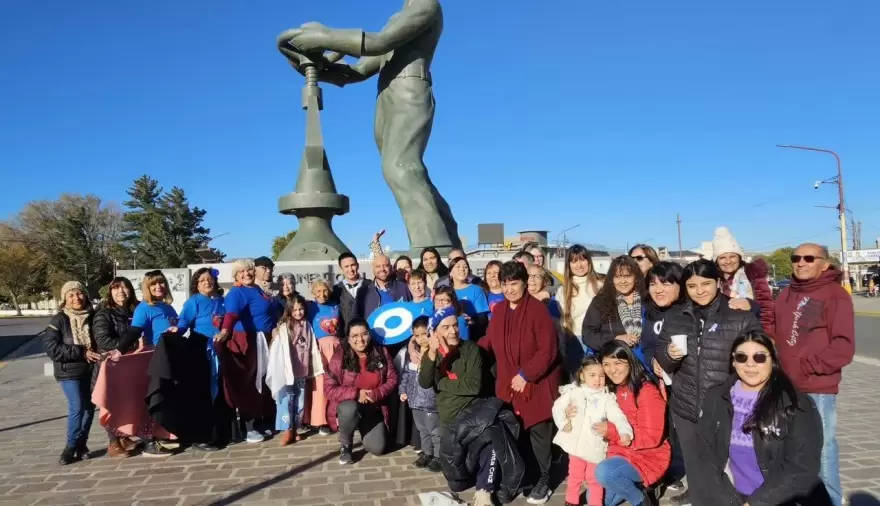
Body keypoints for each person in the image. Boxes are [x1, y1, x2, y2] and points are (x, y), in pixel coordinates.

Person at [279, 0, 461, 250]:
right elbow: (361, 70)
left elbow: (378, 42)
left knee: (400, 168)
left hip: (410, 90)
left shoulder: (426, 6)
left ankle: (433, 249)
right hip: (388, 96)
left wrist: (325, 36)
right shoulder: (400, 16)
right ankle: (447, 238)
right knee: (408, 170)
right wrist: (321, 69)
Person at [655, 259, 762, 506]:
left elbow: (760, 356)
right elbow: (661, 353)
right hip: (685, 407)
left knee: (730, 475)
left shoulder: (739, 316)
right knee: (696, 471)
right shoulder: (676, 317)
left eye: (706, 283)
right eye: (692, 286)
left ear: (718, 282)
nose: (699, 290)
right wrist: (667, 356)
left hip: (727, 409)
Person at [697, 331, 828, 505]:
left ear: (772, 361)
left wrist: (756, 503)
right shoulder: (716, 397)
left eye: (759, 357)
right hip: (733, 497)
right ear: (733, 362)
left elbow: (801, 467)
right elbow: (707, 455)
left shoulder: (797, 404)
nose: (750, 364)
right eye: (742, 357)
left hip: (780, 500)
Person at [773, 243, 854, 506]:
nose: (801, 262)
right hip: (785, 385)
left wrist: (807, 366)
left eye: (810, 258)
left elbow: (843, 347)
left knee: (822, 447)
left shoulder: (835, 295)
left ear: (825, 263)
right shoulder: (785, 294)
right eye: (796, 258)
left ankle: (830, 500)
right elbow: (773, 331)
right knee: (792, 446)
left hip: (818, 387)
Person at [480, 261, 561, 505]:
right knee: (514, 437)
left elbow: (548, 351)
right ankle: (517, 480)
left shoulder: (538, 311)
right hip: (508, 385)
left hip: (535, 385)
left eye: (514, 283)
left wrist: (526, 374)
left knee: (539, 436)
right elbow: (489, 342)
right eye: (504, 283)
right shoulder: (500, 311)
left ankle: (544, 480)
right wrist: (462, 351)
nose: (509, 289)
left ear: (525, 283)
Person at [420, 307, 516, 506]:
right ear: (435, 332)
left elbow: (473, 386)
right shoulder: (432, 354)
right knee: (456, 485)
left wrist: (443, 383)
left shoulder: (470, 349)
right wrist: (431, 352)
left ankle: (484, 490)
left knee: (490, 438)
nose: (453, 331)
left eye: (455, 325)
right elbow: (424, 382)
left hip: (474, 411)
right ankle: (477, 475)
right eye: (446, 327)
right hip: (450, 418)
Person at [567, 341, 670, 506]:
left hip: (647, 455)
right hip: (618, 452)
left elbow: (652, 437)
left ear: (629, 361)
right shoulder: (609, 388)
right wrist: (570, 411)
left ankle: (641, 500)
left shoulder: (645, 390)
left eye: (617, 363)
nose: (612, 370)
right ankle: (639, 486)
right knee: (598, 498)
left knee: (604, 473)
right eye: (606, 364)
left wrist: (611, 431)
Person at [216, 259, 283, 444]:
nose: (246, 274)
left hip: (264, 338)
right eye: (241, 272)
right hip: (246, 340)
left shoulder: (257, 290)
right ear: (236, 275)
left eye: (249, 270)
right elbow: (231, 314)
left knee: (264, 380)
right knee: (248, 383)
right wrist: (224, 331)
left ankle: (263, 419)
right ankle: (250, 425)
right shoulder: (237, 292)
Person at [552, 356, 633, 506]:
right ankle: (571, 501)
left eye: (601, 376)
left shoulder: (606, 397)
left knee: (594, 478)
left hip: (595, 446)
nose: (597, 380)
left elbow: (617, 416)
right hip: (576, 444)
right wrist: (563, 422)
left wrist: (624, 431)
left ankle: (596, 503)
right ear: (582, 375)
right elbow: (558, 407)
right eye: (592, 375)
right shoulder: (574, 391)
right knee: (575, 475)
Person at [324, 318, 398, 464]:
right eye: (355, 336)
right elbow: (328, 389)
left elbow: (392, 379)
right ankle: (346, 444)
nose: (360, 339)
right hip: (350, 405)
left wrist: (376, 393)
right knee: (350, 408)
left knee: (378, 448)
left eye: (364, 334)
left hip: (373, 406)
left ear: (369, 334)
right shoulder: (340, 357)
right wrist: (357, 394)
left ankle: (363, 427)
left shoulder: (381, 352)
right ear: (348, 339)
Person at [43, 281, 101, 465]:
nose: (76, 298)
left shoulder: (94, 316)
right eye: (71, 295)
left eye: (79, 294)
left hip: (91, 370)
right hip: (69, 372)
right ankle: (69, 447)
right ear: (65, 299)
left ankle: (81, 445)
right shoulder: (59, 320)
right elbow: (52, 349)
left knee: (90, 408)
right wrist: (81, 351)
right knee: (77, 407)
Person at [171, 267, 227, 451]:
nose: (206, 282)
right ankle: (201, 436)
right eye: (202, 280)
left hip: (221, 349)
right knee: (203, 393)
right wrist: (175, 331)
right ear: (196, 284)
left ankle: (221, 432)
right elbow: (183, 324)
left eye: (209, 279)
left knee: (221, 392)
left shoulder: (222, 301)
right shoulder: (193, 302)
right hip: (200, 349)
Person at [267, 294, 325, 446]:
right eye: (295, 310)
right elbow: (279, 349)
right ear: (289, 310)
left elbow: (310, 345)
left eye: (301, 309)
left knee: (299, 401)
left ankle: (296, 429)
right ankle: (286, 430)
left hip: (302, 369)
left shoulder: (306, 324)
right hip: (288, 372)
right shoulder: (285, 326)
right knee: (286, 401)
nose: (299, 312)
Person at [92, 276, 139, 458]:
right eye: (116, 288)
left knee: (126, 402)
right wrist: (133, 346)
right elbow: (103, 340)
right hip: (110, 366)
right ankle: (113, 442)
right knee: (110, 403)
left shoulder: (137, 309)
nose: (121, 292)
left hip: (131, 366)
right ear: (110, 292)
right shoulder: (104, 313)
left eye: (125, 288)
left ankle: (124, 436)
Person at [582, 256, 649, 372]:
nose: (622, 281)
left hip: (644, 366)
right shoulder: (601, 302)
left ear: (636, 277)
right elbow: (588, 334)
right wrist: (615, 338)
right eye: (617, 277)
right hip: (613, 368)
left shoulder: (647, 300)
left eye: (627, 276)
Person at [711, 227, 775, 335]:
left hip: (751, 330)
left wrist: (766, 334)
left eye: (732, 256)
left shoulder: (751, 273)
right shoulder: (712, 278)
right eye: (722, 258)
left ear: (739, 257)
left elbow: (766, 306)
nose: (728, 261)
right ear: (716, 260)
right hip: (721, 333)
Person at [398, 316, 441, 472]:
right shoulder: (413, 354)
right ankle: (428, 453)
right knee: (423, 430)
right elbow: (406, 375)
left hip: (431, 401)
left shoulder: (436, 353)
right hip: (415, 401)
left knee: (435, 430)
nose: (422, 338)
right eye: (417, 335)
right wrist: (403, 390)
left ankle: (438, 456)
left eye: (425, 334)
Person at [557, 245, 603, 376]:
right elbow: (562, 323)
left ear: (589, 261)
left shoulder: (600, 286)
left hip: (597, 341)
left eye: (583, 259)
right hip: (574, 342)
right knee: (577, 383)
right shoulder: (563, 290)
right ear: (568, 265)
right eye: (574, 261)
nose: (579, 265)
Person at [306, 279, 341, 436]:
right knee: (320, 384)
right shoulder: (310, 307)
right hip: (319, 349)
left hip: (337, 348)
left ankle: (337, 417)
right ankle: (321, 421)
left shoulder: (335, 306)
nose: (322, 294)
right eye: (318, 291)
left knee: (337, 382)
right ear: (313, 293)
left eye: (325, 290)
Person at [332, 252, 371, 331]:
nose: (350, 269)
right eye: (346, 266)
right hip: (346, 336)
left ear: (358, 265)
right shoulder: (336, 290)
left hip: (369, 333)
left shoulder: (370, 285)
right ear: (341, 269)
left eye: (353, 265)